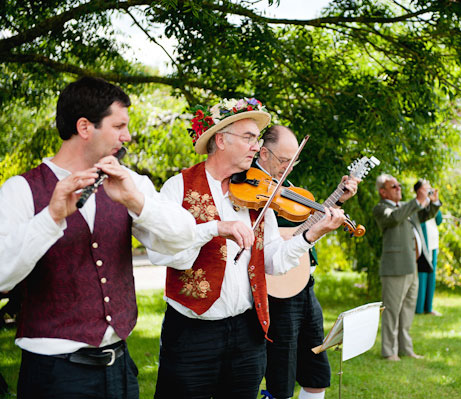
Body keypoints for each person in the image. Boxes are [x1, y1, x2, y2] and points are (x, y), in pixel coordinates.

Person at [0, 76, 197, 399]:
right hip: (53, 374)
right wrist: (50, 218)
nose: (128, 136)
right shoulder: (21, 190)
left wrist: (137, 201)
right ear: (84, 127)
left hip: (120, 369)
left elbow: (184, 239)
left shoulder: (128, 181)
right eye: (119, 125)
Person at [147, 99, 347, 399]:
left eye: (257, 138)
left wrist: (312, 234)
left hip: (247, 333)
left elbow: (274, 263)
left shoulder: (260, 193)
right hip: (191, 333)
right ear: (221, 139)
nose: (256, 146)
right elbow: (164, 253)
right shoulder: (178, 187)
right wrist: (214, 229)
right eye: (249, 137)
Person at [254, 125, 360, 399]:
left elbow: (302, 236)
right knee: (281, 376)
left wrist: (337, 198)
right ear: (263, 153)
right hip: (277, 291)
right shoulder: (250, 188)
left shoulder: (289, 191)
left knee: (317, 371)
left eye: (294, 161)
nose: (289, 168)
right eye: (284, 161)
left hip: (304, 285)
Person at [372, 174, 441, 361]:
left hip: (412, 266)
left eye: (399, 185)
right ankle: (389, 352)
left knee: (407, 311)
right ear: (383, 191)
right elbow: (394, 219)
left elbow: (426, 214)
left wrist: (433, 202)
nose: (399, 188)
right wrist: (417, 201)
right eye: (394, 186)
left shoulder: (405, 207)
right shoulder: (381, 209)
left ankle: (405, 349)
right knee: (392, 312)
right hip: (394, 269)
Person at [415, 182, 443, 316]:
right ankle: (419, 308)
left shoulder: (433, 203)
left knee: (431, 275)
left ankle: (429, 307)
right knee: (422, 274)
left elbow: (439, 220)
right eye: (426, 188)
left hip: (433, 242)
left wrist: (435, 201)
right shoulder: (416, 204)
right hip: (422, 242)